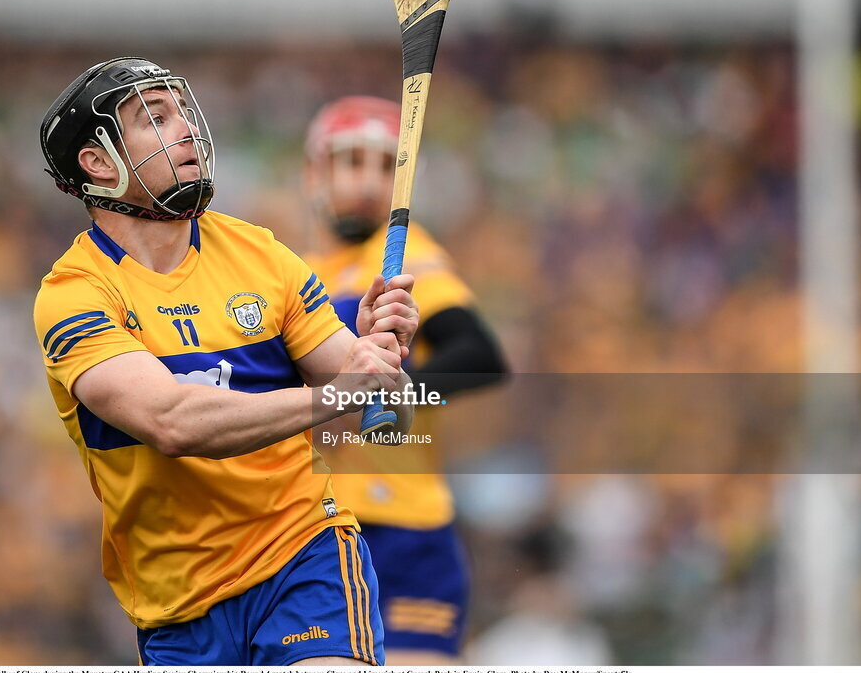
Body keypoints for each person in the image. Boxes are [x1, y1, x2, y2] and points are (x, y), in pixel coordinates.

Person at [32, 58, 421, 666]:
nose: (185, 127)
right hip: (178, 605)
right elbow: (172, 423)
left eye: (182, 110)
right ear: (99, 162)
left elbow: (380, 422)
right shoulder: (74, 295)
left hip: (304, 554)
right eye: (154, 118)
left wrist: (382, 357)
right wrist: (336, 393)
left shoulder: (261, 255)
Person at [302, 95, 508, 663]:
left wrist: (393, 396)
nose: (369, 181)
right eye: (351, 161)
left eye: (386, 165)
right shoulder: (294, 276)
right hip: (315, 528)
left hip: (406, 529)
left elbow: (478, 355)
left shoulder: (403, 255)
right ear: (313, 172)